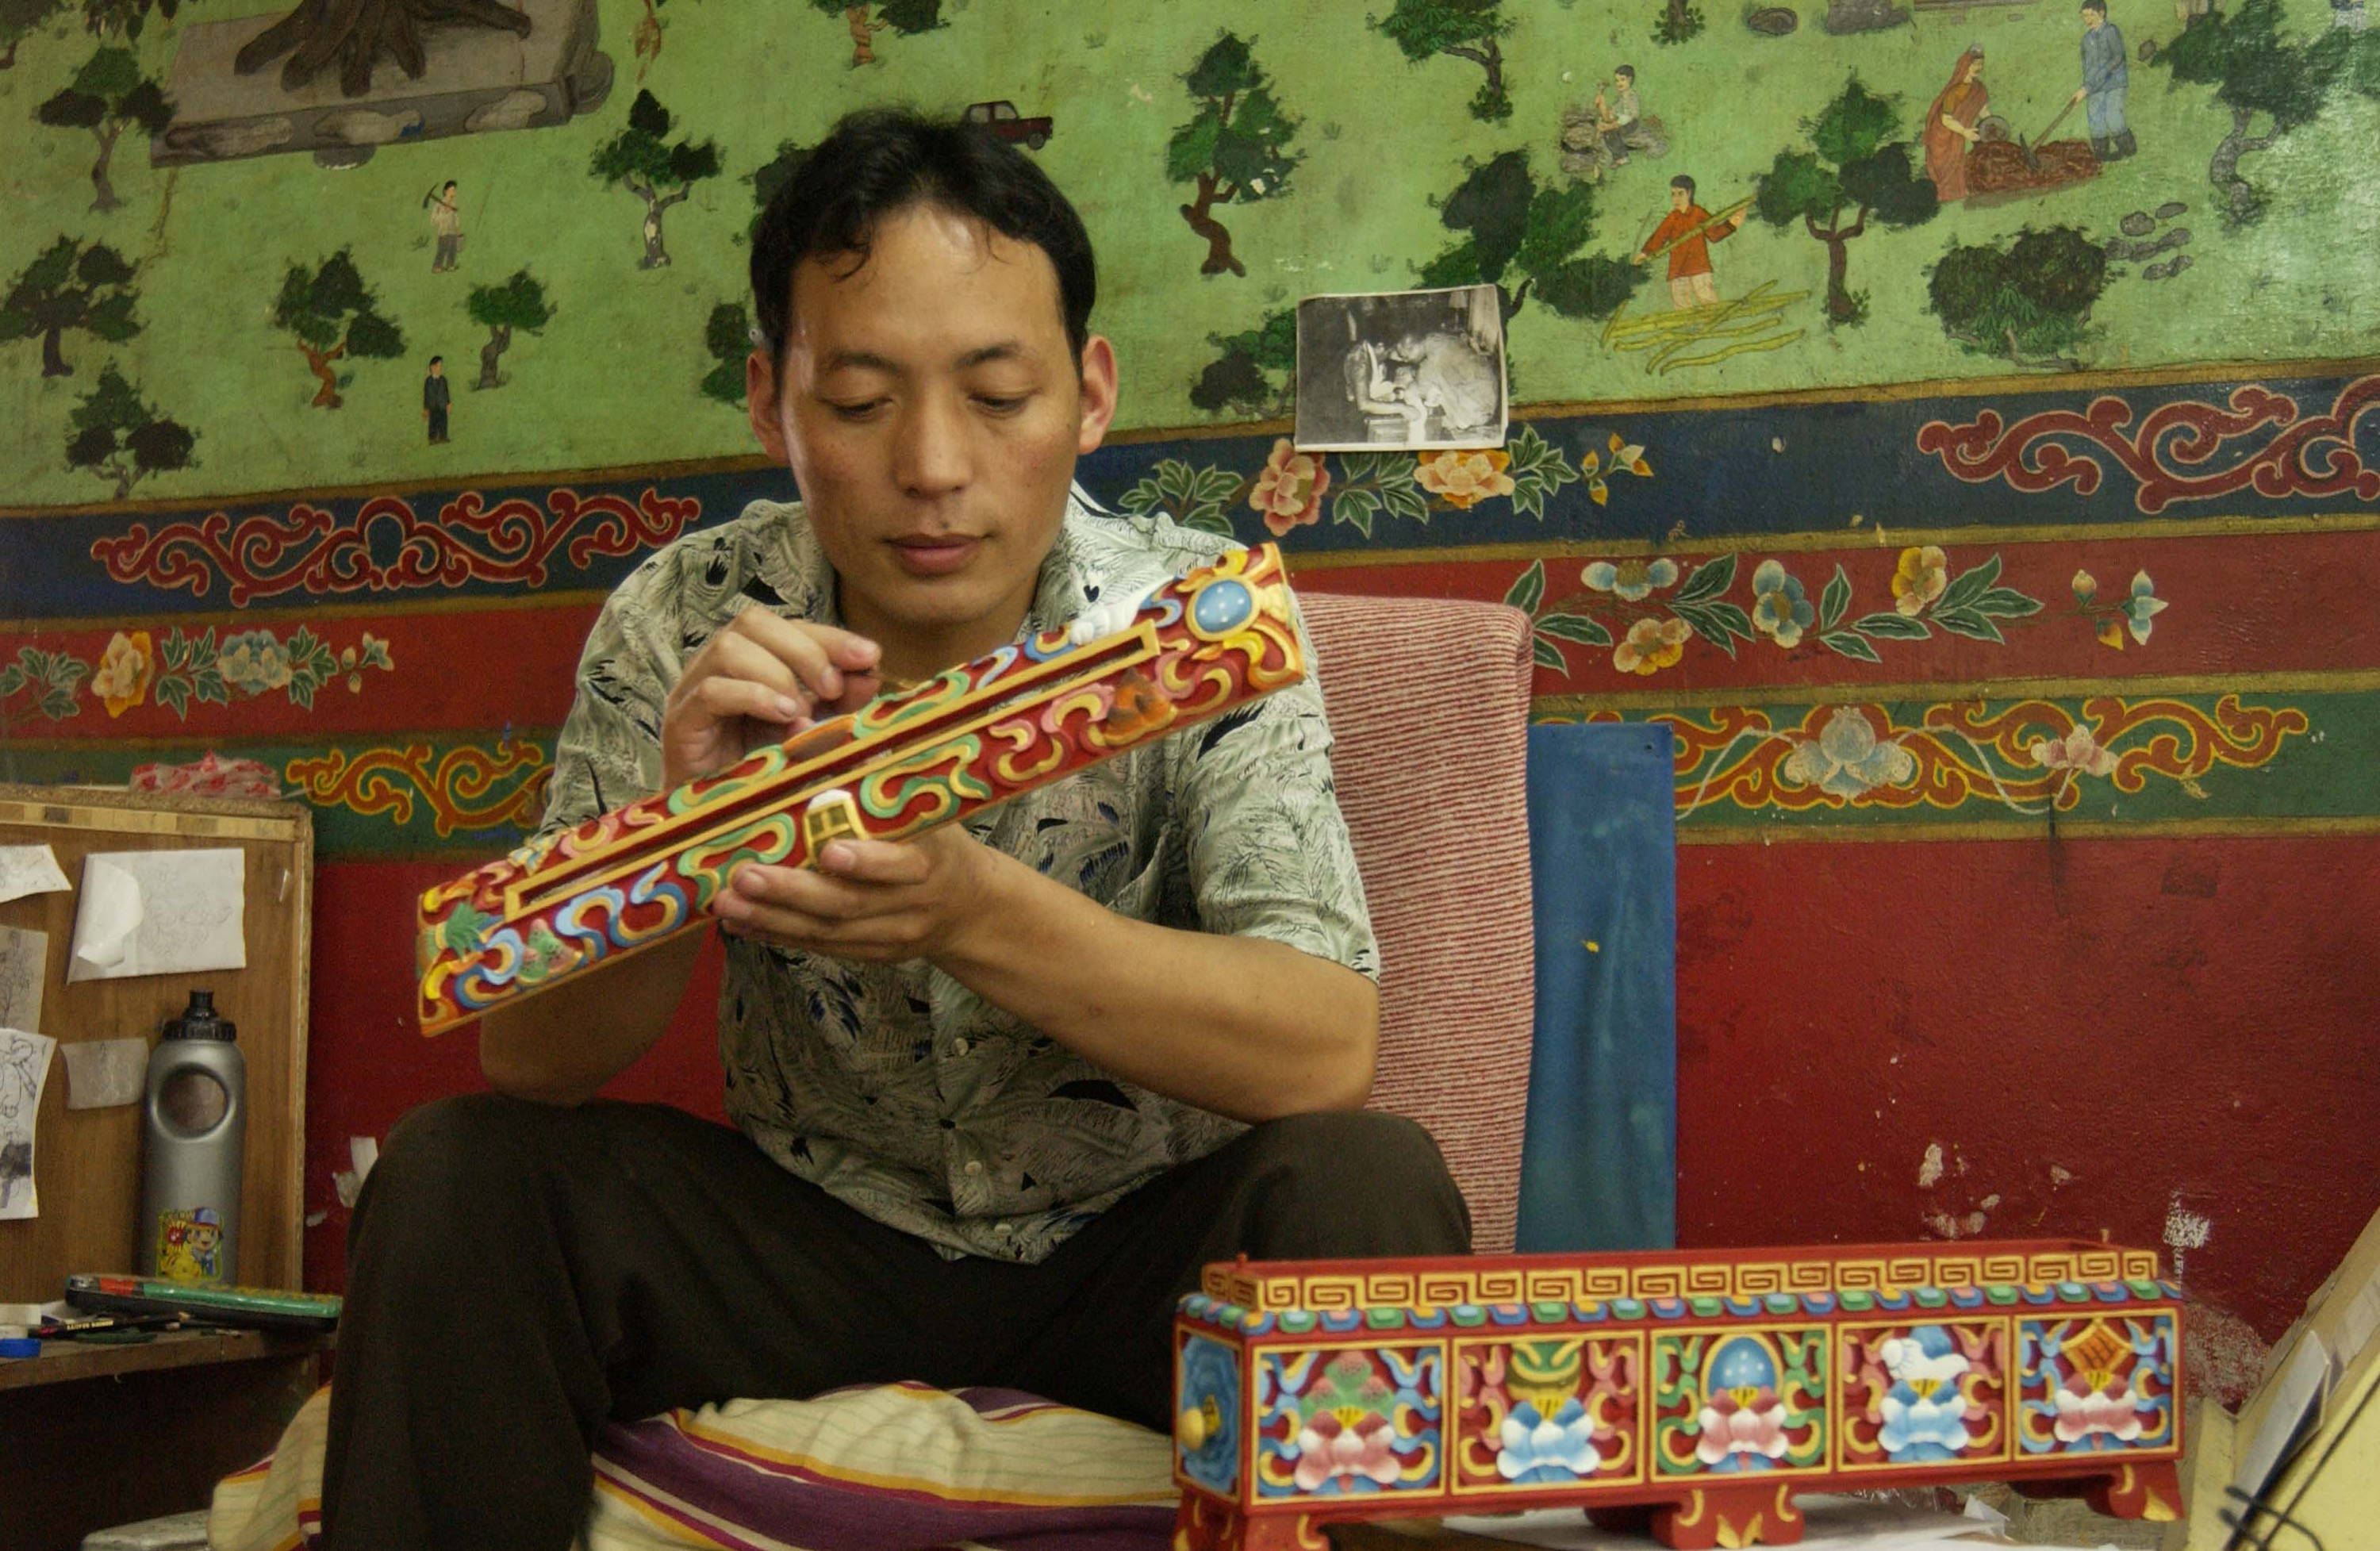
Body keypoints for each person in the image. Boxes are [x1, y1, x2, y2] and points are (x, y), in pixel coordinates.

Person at [319, 109, 1470, 1549]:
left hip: (1134, 1253)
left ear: (1092, 395)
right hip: (808, 1237)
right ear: (771, 404)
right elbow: (531, 1056)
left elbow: (1323, 1047)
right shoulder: (686, 619)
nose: (934, 465)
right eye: (860, 404)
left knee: (1366, 1185)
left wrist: (975, 913)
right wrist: (681, 839)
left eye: (998, 396)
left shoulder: (1197, 622)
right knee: (460, 1175)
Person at [1634, 175, 1747, 310]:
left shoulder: (1698, 213)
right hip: (1678, 270)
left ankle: (1711, 328)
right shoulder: (1672, 218)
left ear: (1689, 193)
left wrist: (1731, 224)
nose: (1676, 198)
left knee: (1709, 302)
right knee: (1682, 308)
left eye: (1680, 194)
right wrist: (1645, 253)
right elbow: (1659, 237)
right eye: (1673, 194)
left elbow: (1714, 235)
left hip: (1699, 267)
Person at [1924, 46, 1989, 202]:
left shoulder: (1979, 89)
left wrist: (1992, 127)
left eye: (1981, 64)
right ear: (1965, 65)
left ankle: (1959, 193)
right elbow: (1946, 119)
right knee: (1947, 167)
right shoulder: (1955, 91)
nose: (1979, 68)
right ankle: (1945, 196)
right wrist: (1965, 132)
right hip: (1942, 135)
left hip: (1958, 133)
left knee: (1959, 162)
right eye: (1975, 64)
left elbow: (1984, 112)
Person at [2071, 1, 2134, 162]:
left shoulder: (2111, 31)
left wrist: (2089, 86)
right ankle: (2102, 154)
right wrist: (2085, 87)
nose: (2088, 19)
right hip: (2094, 87)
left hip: (2114, 83)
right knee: (2095, 118)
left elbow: (2118, 57)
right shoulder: (2086, 40)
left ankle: (2129, 149)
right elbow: (2087, 67)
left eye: (2091, 15)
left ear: (2102, 14)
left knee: (2113, 117)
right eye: (2084, 16)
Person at [1598, 65, 1641, 166]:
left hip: (1631, 123)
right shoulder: (1622, 96)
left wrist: (1613, 125)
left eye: (1622, 80)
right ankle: (1615, 155)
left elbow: (1630, 116)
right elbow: (1616, 110)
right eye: (1617, 81)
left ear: (1629, 80)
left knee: (1611, 132)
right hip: (1623, 121)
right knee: (1607, 129)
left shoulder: (1630, 96)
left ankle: (1622, 157)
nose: (1619, 83)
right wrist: (1609, 115)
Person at [426, 179, 463, 271]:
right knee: (442, 249)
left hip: (453, 231)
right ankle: (437, 267)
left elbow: (456, 218)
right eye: (451, 190)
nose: (453, 193)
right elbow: (433, 220)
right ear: (445, 191)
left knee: (453, 249)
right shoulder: (439, 205)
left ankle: (450, 266)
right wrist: (445, 213)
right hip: (444, 231)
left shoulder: (453, 204)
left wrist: (458, 230)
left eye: (454, 190)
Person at [420, 356, 449, 443]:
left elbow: (446, 392)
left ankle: (443, 437)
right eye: (438, 366)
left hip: (442, 404)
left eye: (440, 366)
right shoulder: (428, 381)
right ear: (432, 367)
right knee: (433, 422)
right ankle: (432, 439)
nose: (439, 368)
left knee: (443, 421)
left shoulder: (443, 380)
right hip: (433, 406)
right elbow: (426, 395)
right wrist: (426, 408)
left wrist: (448, 403)